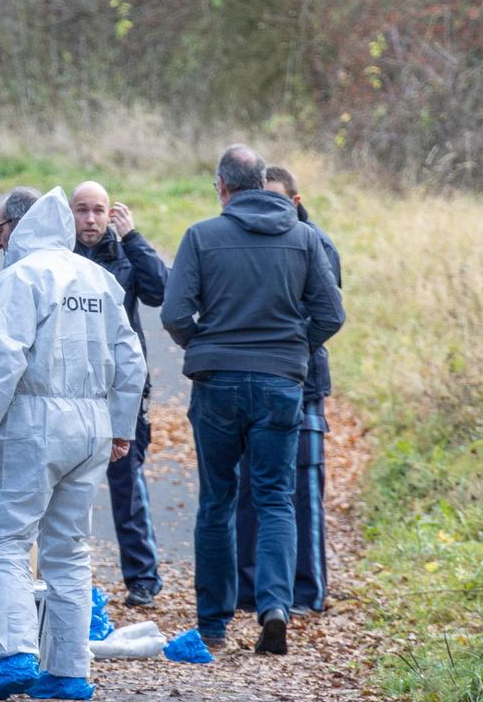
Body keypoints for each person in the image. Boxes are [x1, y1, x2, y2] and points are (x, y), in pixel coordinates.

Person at [0, 186, 146, 701]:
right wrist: (122, 427)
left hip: (35, 419)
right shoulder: (99, 279)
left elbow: (6, 358)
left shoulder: (24, 276)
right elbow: (131, 362)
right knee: (69, 551)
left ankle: (16, 652)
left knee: (5, 543)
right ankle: (68, 671)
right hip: (92, 424)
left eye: (0, 231)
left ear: (18, 228)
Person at [161, 145, 344, 656]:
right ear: (262, 182)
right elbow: (331, 315)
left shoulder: (201, 237)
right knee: (274, 499)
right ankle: (275, 608)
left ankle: (214, 625)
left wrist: (203, 345)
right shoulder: (305, 239)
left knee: (217, 500)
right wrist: (292, 350)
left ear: (222, 185)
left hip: (217, 385)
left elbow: (175, 314)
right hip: (281, 388)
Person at [236, 166, 342, 616]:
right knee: (248, 485)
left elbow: (326, 312)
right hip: (252, 382)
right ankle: (251, 590)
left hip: (303, 382)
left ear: (295, 202)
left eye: (277, 199)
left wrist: (290, 348)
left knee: (301, 487)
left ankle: (306, 591)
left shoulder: (316, 243)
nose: (268, 208)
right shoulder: (245, 240)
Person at [70, 181, 168, 608]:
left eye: (98, 211)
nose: (90, 219)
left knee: (126, 481)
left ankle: (142, 579)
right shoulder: (59, 256)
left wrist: (134, 238)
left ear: (111, 213)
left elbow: (162, 290)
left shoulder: (126, 251)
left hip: (122, 387)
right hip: (70, 387)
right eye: (82, 210)